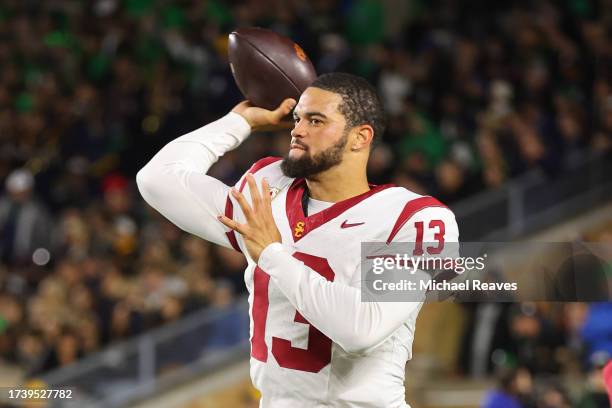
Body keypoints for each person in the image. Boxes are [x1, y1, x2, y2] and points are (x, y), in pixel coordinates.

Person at [137, 73, 459, 407]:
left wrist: (273, 254)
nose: (297, 130)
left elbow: (362, 329)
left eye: (316, 120)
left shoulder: (417, 218)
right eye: (297, 118)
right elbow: (156, 180)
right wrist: (239, 122)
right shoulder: (269, 188)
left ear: (360, 137)